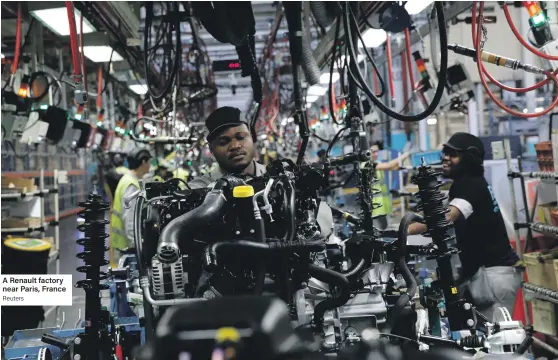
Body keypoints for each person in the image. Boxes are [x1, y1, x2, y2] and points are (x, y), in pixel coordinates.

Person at [407, 132, 522, 320]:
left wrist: (403, 231)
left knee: (499, 338)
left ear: (469, 158)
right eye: (445, 152)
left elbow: (448, 217)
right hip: (487, 272)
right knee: (484, 337)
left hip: (494, 273)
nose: (445, 158)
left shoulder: (470, 184)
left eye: (453, 154)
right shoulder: (467, 184)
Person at [188, 106, 333, 237]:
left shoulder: (282, 180)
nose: (235, 146)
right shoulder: (197, 190)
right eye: (223, 141)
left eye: (241, 137)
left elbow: (324, 226)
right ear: (212, 149)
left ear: (252, 138)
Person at [110, 148, 153, 266]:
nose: (150, 165)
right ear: (143, 162)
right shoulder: (131, 185)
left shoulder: (128, 180)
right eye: (149, 161)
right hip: (127, 247)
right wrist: (136, 246)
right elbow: (130, 219)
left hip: (124, 244)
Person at [370, 142, 409, 230]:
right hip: (374, 206)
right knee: (377, 232)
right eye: (373, 152)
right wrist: (403, 156)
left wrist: (402, 162)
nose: (376, 154)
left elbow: (393, 167)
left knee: (383, 230)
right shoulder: (367, 165)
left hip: (381, 205)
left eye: (377, 151)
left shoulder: (377, 163)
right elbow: (389, 165)